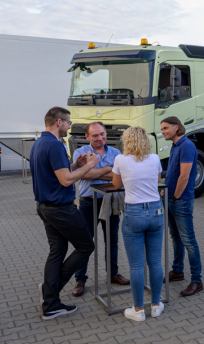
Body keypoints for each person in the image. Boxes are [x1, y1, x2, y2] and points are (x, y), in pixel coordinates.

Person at [31, 107, 98, 320]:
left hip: (45, 207)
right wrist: (90, 166)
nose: (70, 126)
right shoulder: (55, 145)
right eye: (68, 122)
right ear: (59, 122)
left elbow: (59, 172)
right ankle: (50, 296)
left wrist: (75, 165)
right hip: (61, 209)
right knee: (86, 245)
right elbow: (66, 180)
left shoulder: (39, 143)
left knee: (57, 252)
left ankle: (50, 302)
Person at [111, 127, 165, 322]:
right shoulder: (155, 159)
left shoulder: (120, 160)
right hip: (156, 210)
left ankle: (139, 309)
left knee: (136, 265)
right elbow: (157, 180)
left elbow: (117, 185)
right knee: (155, 261)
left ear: (127, 141)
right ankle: (157, 305)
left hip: (134, 212)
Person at [71, 122, 129, 297]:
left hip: (111, 201)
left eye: (102, 134)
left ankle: (112, 274)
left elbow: (120, 176)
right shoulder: (80, 152)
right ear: (87, 137)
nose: (100, 138)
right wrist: (107, 170)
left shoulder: (116, 153)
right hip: (88, 203)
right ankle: (80, 279)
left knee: (111, 240)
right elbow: (84, 174)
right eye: (95, 135)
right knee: (85, 243)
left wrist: (95, 170)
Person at [161, 117, 204, 296]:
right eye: (162, 129)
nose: (162, 131)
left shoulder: (186, 146)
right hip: (171, 198)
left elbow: (185, 177)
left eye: (165, 128)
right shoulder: (176, 145)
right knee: (176, 237)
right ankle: (178, 271)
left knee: (189, 241)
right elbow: (173, 173)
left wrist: (176, 197)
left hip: (181, 200)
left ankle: (197, 281)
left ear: (176, 127)